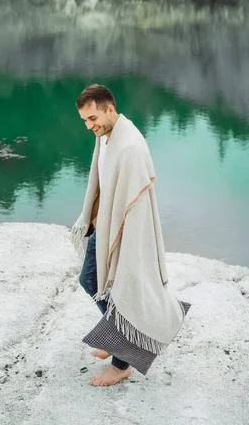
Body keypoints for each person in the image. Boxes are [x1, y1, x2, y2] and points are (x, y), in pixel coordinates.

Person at [72, 84, 184, 387]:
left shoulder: (130, 147)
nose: (89, 126)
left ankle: (122, 362)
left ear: (110, 108)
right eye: (84, 120)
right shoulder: (108, 136)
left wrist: (126, 246)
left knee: (118, 292)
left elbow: (135, 207)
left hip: (123, 234)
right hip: (106, 225)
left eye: (93, 118)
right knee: (92, 282)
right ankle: (115, 337)